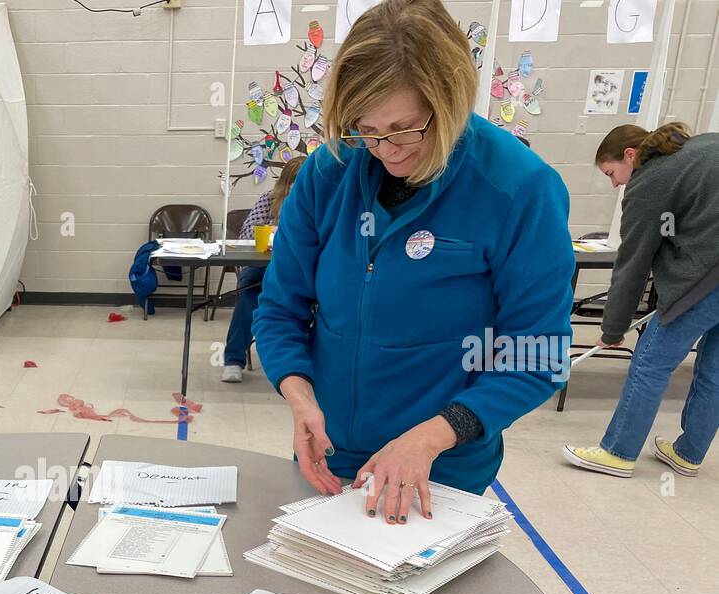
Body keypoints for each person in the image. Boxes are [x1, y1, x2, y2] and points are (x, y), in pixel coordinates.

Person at [254, 0, 573, 521]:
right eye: (366, 129)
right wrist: (299, 396)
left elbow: (536, 353)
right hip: (331, 449)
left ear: (448, 102)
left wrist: (433, 435)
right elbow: (280, 309)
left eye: (404, 129)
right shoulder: (328, 172)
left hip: (441, 463)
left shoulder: (519, 188)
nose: (386, 150)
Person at [564, 122, 719, 478]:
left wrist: (613, 327)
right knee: (714, 370)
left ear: (631, 156)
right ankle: (688, 453)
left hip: (708, 277)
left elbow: (632, 265)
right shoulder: (701, 148)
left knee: (651, 363)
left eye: (612, 173)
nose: (615, 183)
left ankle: (618, 451)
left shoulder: (652, 181)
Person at [221, 156, 305, 384]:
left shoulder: (320, 203)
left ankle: (307, 364)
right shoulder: (269, 200)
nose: (298, 189)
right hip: (263, 267)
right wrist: (272, 230)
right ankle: (233, 360)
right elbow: (248, 234)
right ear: (285, 183)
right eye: (293, 183)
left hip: (301, 271)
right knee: (249, 295)